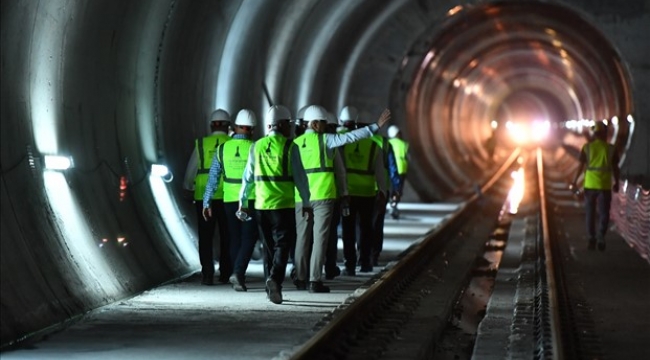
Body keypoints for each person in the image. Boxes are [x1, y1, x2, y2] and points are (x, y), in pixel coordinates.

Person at [292, 105, 391, 293]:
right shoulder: (326, 140)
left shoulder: (296, 143)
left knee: (302, 239)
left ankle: (300, 278)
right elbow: (350, 137)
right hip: (323, 196)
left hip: (301, 198)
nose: (325, 127)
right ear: (314, 124)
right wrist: (374, 127)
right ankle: (314, 280)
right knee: (320, 240)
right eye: (322, 123)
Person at [238, 105, 311, 304]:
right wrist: (306, 202)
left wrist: (242, 202)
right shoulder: (290, 146)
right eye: (289, 124)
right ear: (281, 125)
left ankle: (270, 288)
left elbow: (248, 177)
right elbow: (300, 178)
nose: (290, 128)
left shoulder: (257, 146)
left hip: (261, 206)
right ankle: (275, 280)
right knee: (283, 245)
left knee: (269, 247)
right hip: (283, 205)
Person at [202, 109, 259, 291]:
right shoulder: (255, 148)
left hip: (229, 199)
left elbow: (213, 178)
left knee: (234, 238)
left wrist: (207, 201)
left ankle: (236, 273)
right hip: (250, 199)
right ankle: (238, 273)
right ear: (252, 129)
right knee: (249, 237)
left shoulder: (222, 149)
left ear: (234, 127)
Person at [339, 109, 392, 275]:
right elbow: (379, 172)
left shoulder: (344, 144)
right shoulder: (373, 146)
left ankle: (349, 264)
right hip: (367, 194)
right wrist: (382, 191)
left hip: (348, 194)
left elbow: (340, 170)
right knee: (366, 228)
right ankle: (365, 262)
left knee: (348, 229)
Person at [183, 109, 232, 285]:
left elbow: (191, 170)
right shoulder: (231, 143)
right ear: (228, 126)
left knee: (205, 236)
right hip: (227, 196)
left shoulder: (202, 144)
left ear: (211, 125)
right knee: (227, 235)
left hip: (204, 196)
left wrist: (188, 188)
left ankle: (207, 274)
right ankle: (226, 273)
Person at [570, 121, 620, 251]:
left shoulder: (587, 148)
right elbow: (615, 168)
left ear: (594, 133)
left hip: (590, 185)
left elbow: (580, 167)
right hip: (604, 186)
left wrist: (574, 181)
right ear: (605, 134)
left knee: (590, 213)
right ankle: (601, 236)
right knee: (604, 213)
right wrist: (617, 183)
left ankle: (591, 237)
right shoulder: (611, 149)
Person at [370, 127, 402, 266]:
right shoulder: (383, 142)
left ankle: (361, 255)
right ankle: (374, 255)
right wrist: (396, 188)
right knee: (377, 224)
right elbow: (392, 167)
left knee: (362, 224)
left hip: (358, 191)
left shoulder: (356, 140)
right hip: (381, 190)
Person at [387, 124, 409, 219]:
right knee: (398, 189)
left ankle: (392, 204)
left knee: (391, 189)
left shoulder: (387, 143)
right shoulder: (403, 144)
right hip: (401, 169)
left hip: (390, 169)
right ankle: (394, 205)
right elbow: (407, 156)